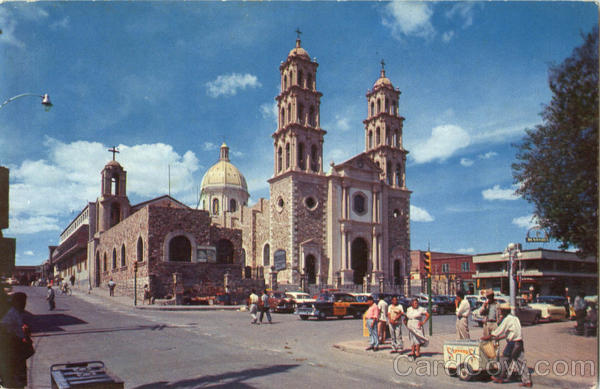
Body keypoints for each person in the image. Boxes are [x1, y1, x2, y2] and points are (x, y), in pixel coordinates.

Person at [482, 303, 532, 387]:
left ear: (504, 311)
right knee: (520, 362)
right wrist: (500, 338)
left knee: (504, 359)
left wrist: (487, 337)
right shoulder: (515, 318)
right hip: (519, 342)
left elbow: (498, 331)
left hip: (513, 343)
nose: (500, 311)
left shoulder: (507, 319)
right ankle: (526, 381)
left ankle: (501, 377)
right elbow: (512, 332)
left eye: (501, 310)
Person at [0, 292, 34, 389]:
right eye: (22, 302)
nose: (24, 304)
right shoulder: (12, 313)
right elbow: (3, 327)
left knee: (19, 379)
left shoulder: (17, 313)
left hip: (18, 350)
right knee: (14, 380)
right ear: (16, 302)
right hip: (13, 350)